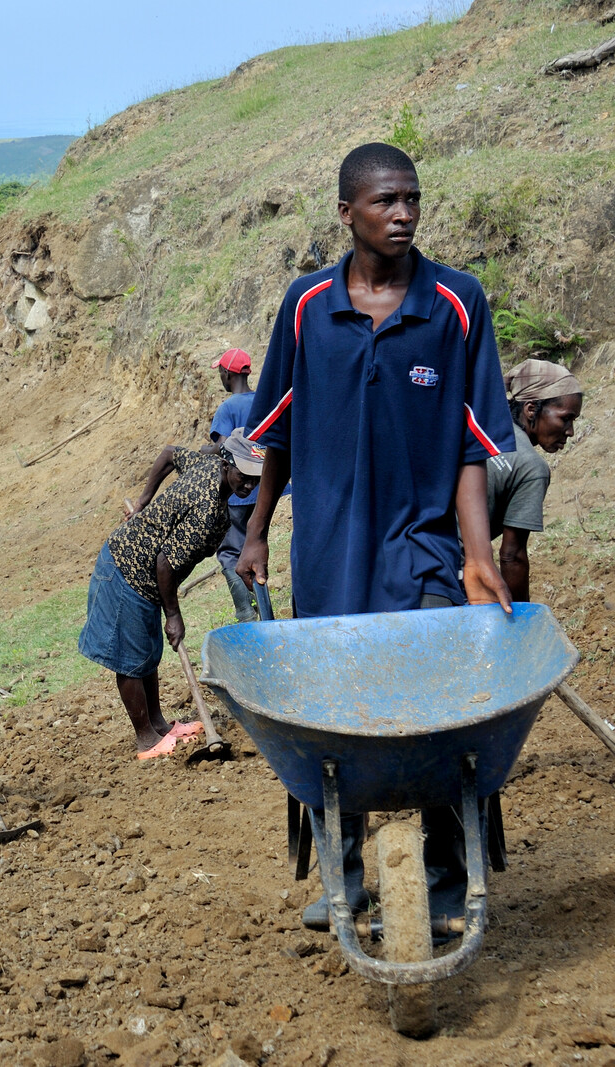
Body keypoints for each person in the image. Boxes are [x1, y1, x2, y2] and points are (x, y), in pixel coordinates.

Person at [236, 142, 516, 932]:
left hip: (422, 543)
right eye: (387, 201)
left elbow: (471, 445)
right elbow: (278, 433)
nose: (404, 214)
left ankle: (449, 874)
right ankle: (347, 877)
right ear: (347, 212)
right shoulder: (304, 306)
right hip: (327, 553)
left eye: (413, 199)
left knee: (439, 712)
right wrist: (256, 531)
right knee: (334, 721)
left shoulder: (457, 303)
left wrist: (479, 556)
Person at [79, 435, 263, 758]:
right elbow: (165, 564)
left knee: (148, 653)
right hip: (127, 569)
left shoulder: (208, 467)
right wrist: (173, 615)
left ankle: (160, 725)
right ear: (226, 464)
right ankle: (146, 738)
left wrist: (145, 500)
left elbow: (168, 454)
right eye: (243, 477)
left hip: (143, 575)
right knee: (131, 658)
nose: (248, 485)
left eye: (254, 479)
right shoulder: (207, 511)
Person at [489, 359, 583, 601]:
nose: (570, 431)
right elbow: (512, 555)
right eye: (566, 418)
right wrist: (522, 623)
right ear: (531, 409)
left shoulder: (484, 428)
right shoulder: (531, 467)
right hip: (447, 564)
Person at [205, 348, 260, 622]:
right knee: (255, 547)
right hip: (261, 492)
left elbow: (223, 447)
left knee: (229, 551)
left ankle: (245, 610)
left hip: (237, 494)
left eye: (220, 372)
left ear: (227, 374)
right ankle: (261, 604)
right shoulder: (263, 401)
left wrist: (203, 452)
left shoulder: (228, 407)